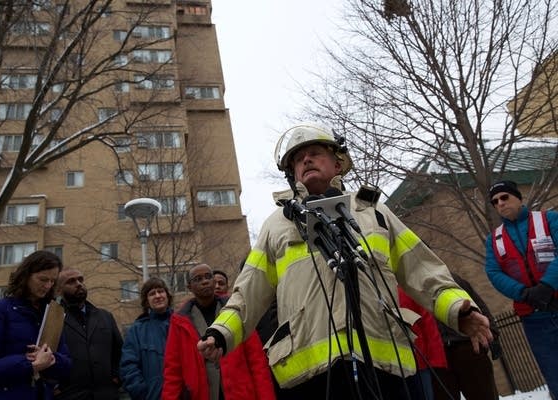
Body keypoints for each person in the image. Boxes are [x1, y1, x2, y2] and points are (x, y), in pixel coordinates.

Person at [198, 123, 492, 399]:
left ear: (337, 163)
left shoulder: (373, 210)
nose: (306, 161)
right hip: (309, 374)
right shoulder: (276, 225)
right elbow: (249, 291)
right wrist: (221, 333)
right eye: (299, 159)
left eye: (315, 153)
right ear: (292, 173)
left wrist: (458, 310)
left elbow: (422, 268)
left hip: (386, 363)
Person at [485, 179, 558, 398]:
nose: (500, 203)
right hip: (534, 319)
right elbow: (493, 272)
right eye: (495, 201)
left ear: (518, 197)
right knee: (554, 376)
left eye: (504, 197)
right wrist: (524, 294)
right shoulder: (494, 239)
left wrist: (547, 285)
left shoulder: (548, 219)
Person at [162, 263, 276, 400]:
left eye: (208, 277)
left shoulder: (236, 310)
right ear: (189, 287)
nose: (204, 281)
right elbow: (173, 370)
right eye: (198, 279)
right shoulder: (180, 321)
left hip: (241, 393)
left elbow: (256, 361)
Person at [0, 250, 71, 400]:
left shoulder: (52, 315)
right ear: (26, 276)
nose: (48, 286)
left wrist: (51, 359)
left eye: (53, 281)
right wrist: (31, 364)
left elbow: (66, 365)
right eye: (43, 279)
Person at [54, 268, 123, 400]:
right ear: (59, 290)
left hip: (106, 394)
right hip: (70, 395)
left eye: (80, 279)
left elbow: (119, 351)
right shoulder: (53, 318)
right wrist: (54, 386)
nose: (78, 283)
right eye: (71, 281)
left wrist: (117, 377)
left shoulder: (105, 316)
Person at [433, 273, 500, 400]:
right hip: (436, 355)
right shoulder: (408, 283)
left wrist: (492, 335)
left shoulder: (450, 277)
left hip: (467, 346)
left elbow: (478, 306)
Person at [120, 277, 173, 400]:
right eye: (152, 293)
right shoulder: (137, 330)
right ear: (146, 301)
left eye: (161, 291)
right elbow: (128, 366)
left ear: (167, 295)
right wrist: (142, 392)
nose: (157, 296)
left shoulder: (181, 323)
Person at [397, 287, 447, 400]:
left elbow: (428, 326)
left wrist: (437, 362)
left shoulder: (407, 291)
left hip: (419, 364)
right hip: (392, 366)